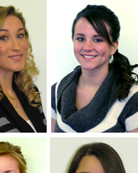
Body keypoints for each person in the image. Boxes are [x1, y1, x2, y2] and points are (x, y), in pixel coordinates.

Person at [51, 4, 138, 132]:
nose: (87, 47)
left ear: (113, 46)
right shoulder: (56, 91)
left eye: (97, 40)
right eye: (80, 38)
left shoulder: (132, 97)